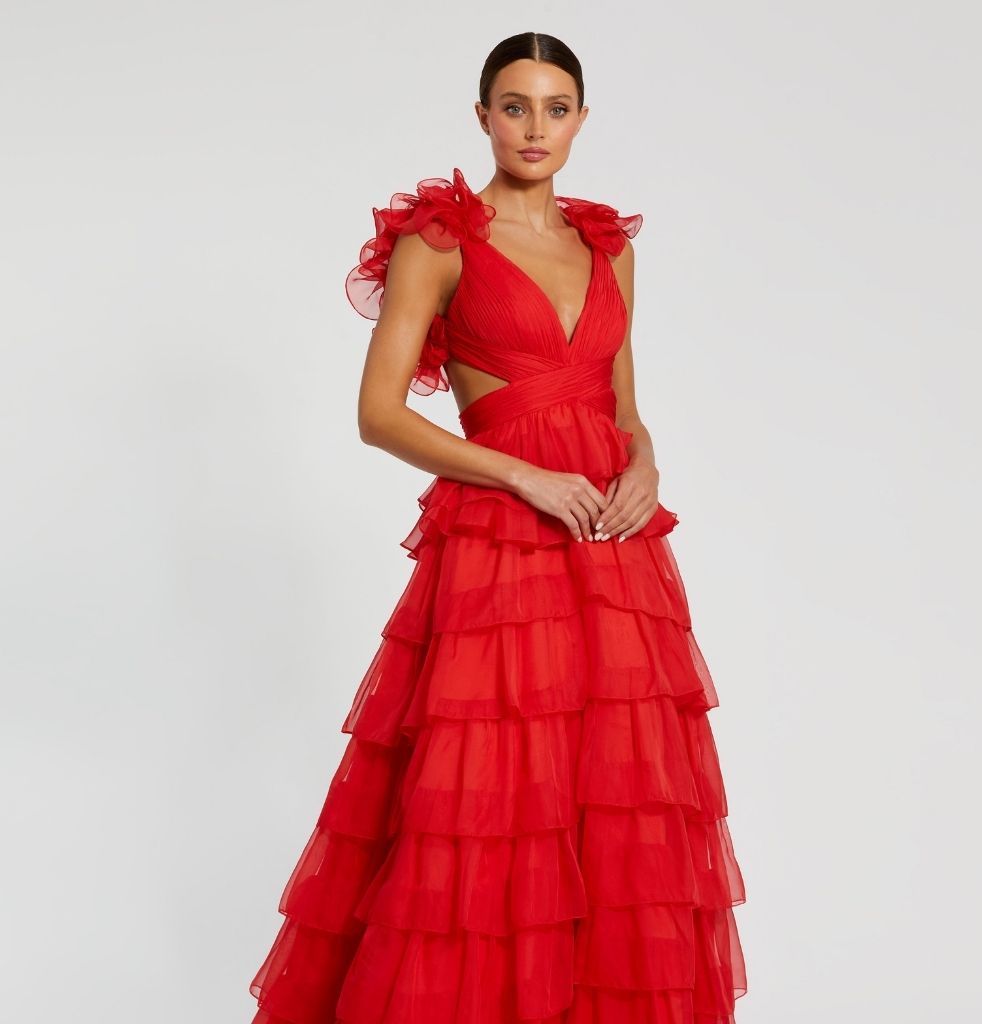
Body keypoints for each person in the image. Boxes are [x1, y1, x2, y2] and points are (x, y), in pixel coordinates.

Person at [249, 31, 748, 1024]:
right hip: (501, 547)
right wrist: (524, 476)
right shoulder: (441, 241)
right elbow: (379, 414)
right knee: (488, 796)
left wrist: (645, 465)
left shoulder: (608, 248)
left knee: (613, 801)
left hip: (613, 551)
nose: (534, 127)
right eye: (514, 107)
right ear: (482, 116)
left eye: (555, 108)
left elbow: (621, 406)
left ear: (581, 119)